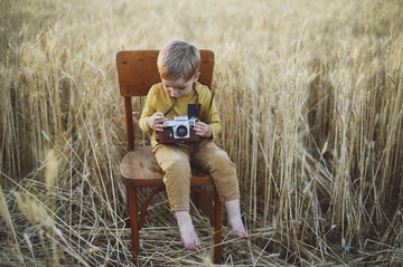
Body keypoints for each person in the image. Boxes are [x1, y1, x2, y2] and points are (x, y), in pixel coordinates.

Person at [139, 39, 248, 250]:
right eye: (167, 85)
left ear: (196, 78)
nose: (173, 92)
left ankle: (235, 217)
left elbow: (216, 123)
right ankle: (184, 222)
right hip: (167, 145)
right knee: (177, 165)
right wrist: (151, 122)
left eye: (180, 88)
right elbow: (143, 121)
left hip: (198, 144)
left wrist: (208, 130)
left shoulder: (204, 94)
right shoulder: (155, 92)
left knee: (222, 160)